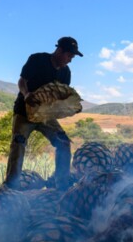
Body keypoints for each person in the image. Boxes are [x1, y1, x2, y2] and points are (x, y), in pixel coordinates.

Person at [6, 37, 83, 191]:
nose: (70, 60)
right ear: (59, 50)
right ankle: (11, 188)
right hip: (24, 113)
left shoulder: (65, 72)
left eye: (72, 57)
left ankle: (61, 185)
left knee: (64, 143)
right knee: (18, 145)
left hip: (47, 116)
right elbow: (22, 81)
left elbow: (61, 98)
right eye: (69, 56)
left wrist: (72, 107)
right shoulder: (37, 59)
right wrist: (26, 94)